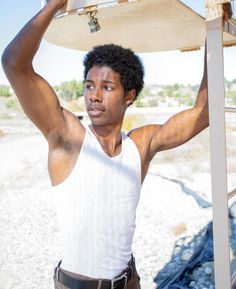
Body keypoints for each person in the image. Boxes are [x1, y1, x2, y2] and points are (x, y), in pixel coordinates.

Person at [1, 0, 209, 288]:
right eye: (89, 86)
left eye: (107, 87)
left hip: (128, 281)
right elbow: (14, 63)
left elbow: (203, 113)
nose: (94, 96)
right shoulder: (68, 137)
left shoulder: (141, 144)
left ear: (129, 95)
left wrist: (213, 33)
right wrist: (54, 6)